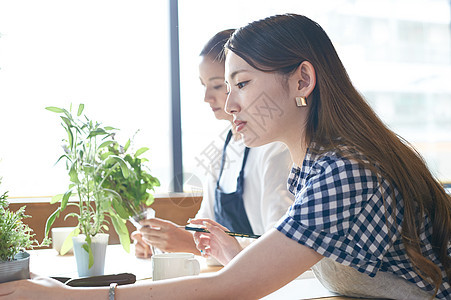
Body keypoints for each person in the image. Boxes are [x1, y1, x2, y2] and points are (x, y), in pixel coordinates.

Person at [1, 13, 450, 300]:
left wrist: (65, 296)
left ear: (302, 81)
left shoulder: (344, 171)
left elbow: (232, 287)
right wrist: (242, 250)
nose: (227, 104)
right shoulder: (316, 165)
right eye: (224, 87)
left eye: (241, 83)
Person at [131, 29, 294, 263]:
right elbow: (205, 223)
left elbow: (281, 246)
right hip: (230, 275)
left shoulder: (275, 148)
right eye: (203, 85)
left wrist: (194, 245)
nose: (207, 97)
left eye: (218, 85)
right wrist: (164, 242)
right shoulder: (221, 149)